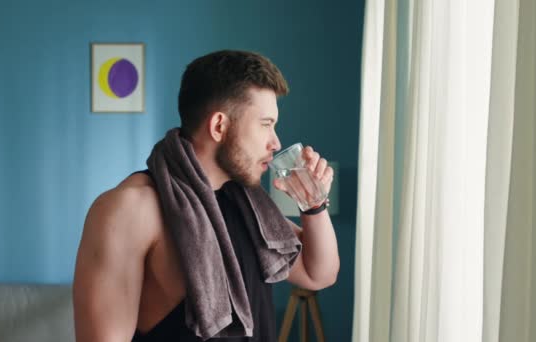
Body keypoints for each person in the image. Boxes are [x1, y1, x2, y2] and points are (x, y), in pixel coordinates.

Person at [73, 50, 340, 342]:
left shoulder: (248, 206)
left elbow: (319, 274)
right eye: (266, 124)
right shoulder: (130, 209)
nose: (275, 142)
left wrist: (313, 204)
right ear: (219, 126)